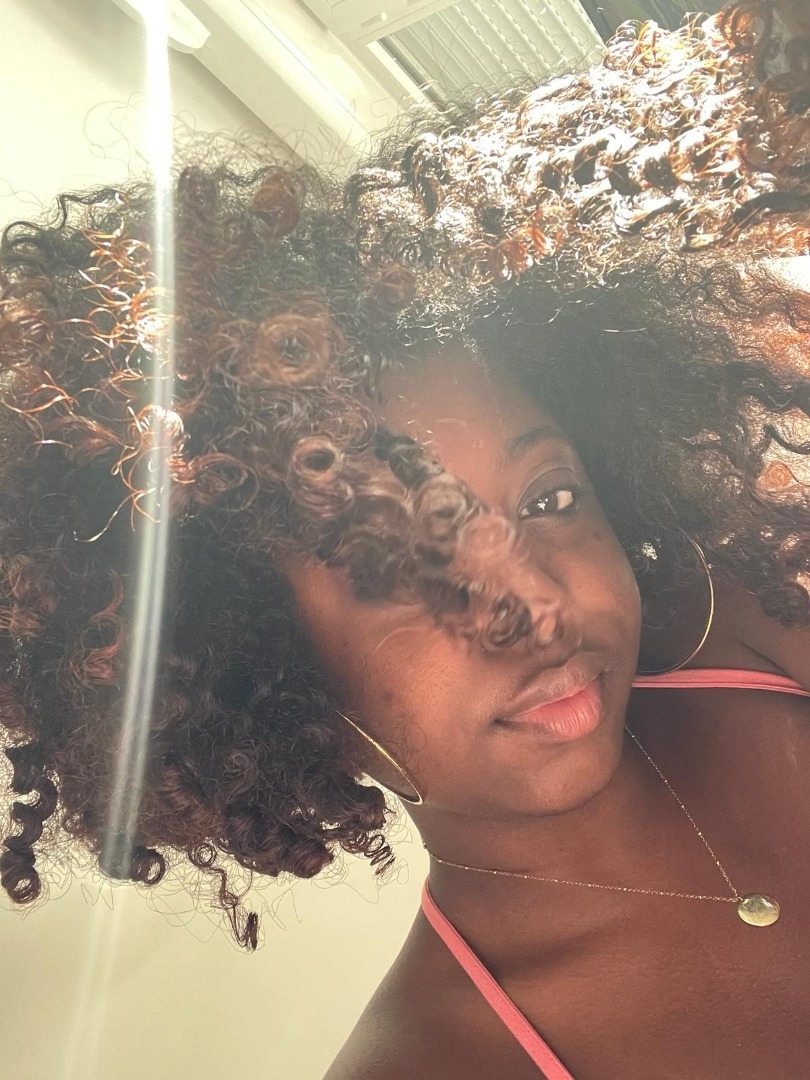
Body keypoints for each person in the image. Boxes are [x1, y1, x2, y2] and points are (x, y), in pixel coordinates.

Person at [1, 3, 809, 1078]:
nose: (535, 606)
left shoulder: (750, 624)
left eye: (549, 499)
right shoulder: (436, 1061)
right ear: (251, 663)